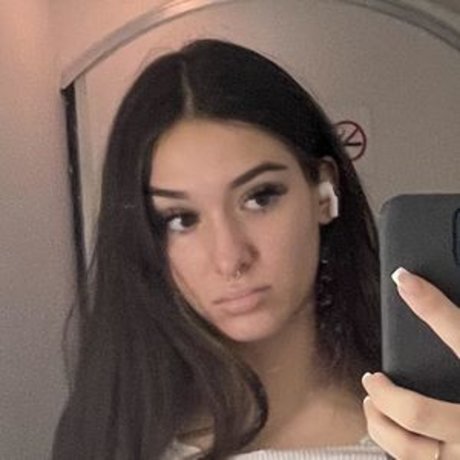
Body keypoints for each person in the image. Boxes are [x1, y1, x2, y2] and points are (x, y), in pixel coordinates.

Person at [52, 39, 460, 460]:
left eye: (260, 198)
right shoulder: (110, 435)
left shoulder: (434, 417)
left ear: (324, 192)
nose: (230, 258)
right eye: (181, 219)